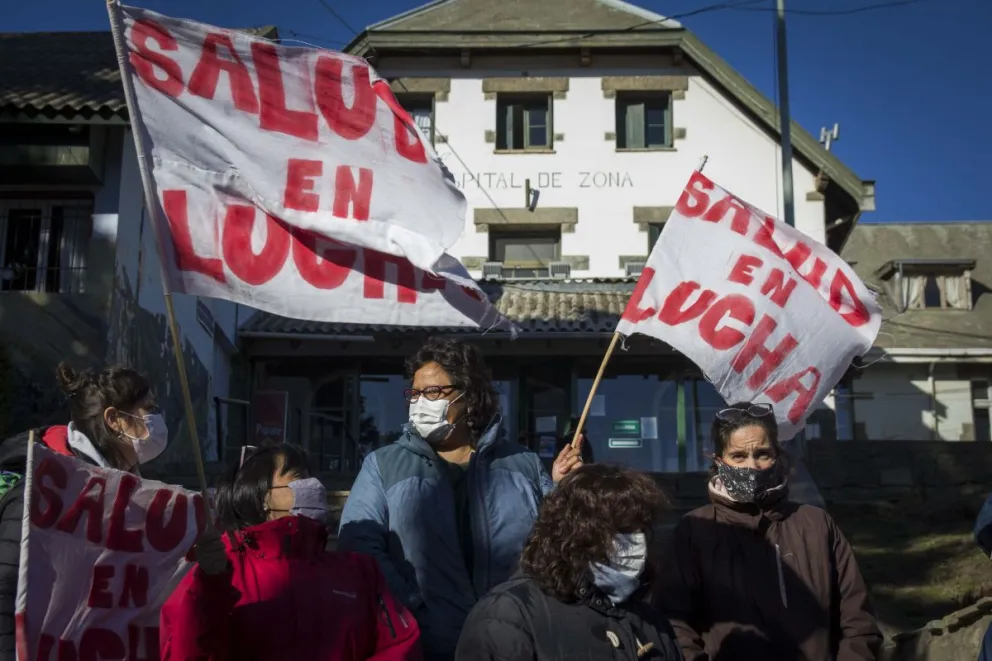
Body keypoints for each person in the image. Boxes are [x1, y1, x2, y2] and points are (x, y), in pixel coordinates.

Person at [338, 337, 584, 661]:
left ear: (469, 396)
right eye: (414, 393)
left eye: (434, 392)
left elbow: (557, 542)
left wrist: (562, 490)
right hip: (423, 642)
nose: (420, 402)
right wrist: (411, 603)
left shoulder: (522, 464)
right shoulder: (382, 465)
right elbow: (358, 546)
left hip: (514, 639)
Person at [654, 402, 882, 661]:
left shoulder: (817, 524)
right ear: (719, 461)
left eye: (762, 454)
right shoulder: (694, 531)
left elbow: (858, 621)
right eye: (738, 456)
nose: (752, 466)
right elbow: (674, 623)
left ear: (777, 455)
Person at [160, 443, 421, 661]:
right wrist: (210, 585)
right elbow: (188, 653)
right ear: (261, 495)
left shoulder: (359, 571)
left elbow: (399, 646)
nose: (314, 484)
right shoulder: (219, 569)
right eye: (297, 476)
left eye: (311, 475)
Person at [0, 362, 165, 661]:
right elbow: (5, 587)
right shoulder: (41, 490)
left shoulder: (129, 493)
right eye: (149, 408)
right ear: (114, 419)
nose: (158, 419)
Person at [455, 464, 683, 661]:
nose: (635, 541)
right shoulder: (509, 615)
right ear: (578, 532)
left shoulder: (650, 620)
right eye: (621, 529)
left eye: (640, 528)